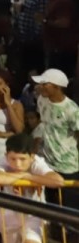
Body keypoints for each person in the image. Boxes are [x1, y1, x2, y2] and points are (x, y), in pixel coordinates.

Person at [0, 133, 65, 243]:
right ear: (6, 156)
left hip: (33, 214)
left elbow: (58, 181)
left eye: (22, 159)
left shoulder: (37, 162)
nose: (17, 164)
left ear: (32, 157)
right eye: (13, 159)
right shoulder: (4, 161)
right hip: (9, 215)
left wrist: (28, 176)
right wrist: (23, 176)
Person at [31, 68, 79, 209]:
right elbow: (43, 125)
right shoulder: (41, 100)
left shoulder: (72, 109)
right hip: (47, 164)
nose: (40, 87)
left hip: (68, 167)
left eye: (45, 84)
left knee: (69, 207)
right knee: (50, 206)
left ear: (57, 87)